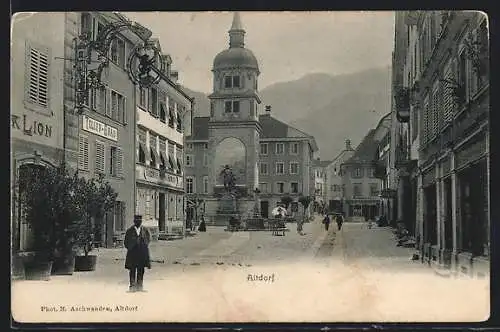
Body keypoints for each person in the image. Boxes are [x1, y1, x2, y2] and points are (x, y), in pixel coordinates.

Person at [124, 215, 151, 292]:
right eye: (137, 220)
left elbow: (148, 239)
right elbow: (126, 242)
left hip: (142, 253)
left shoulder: (145, 230)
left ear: (141, 221)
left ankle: (140, 285)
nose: (138, 221)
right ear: (134, 221)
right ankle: (132, 285)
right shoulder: (129, 231)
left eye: (140, 220)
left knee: (141, 270)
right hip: (132, 253)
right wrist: (130, 247)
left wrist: (144, 246)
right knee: (132, 269)